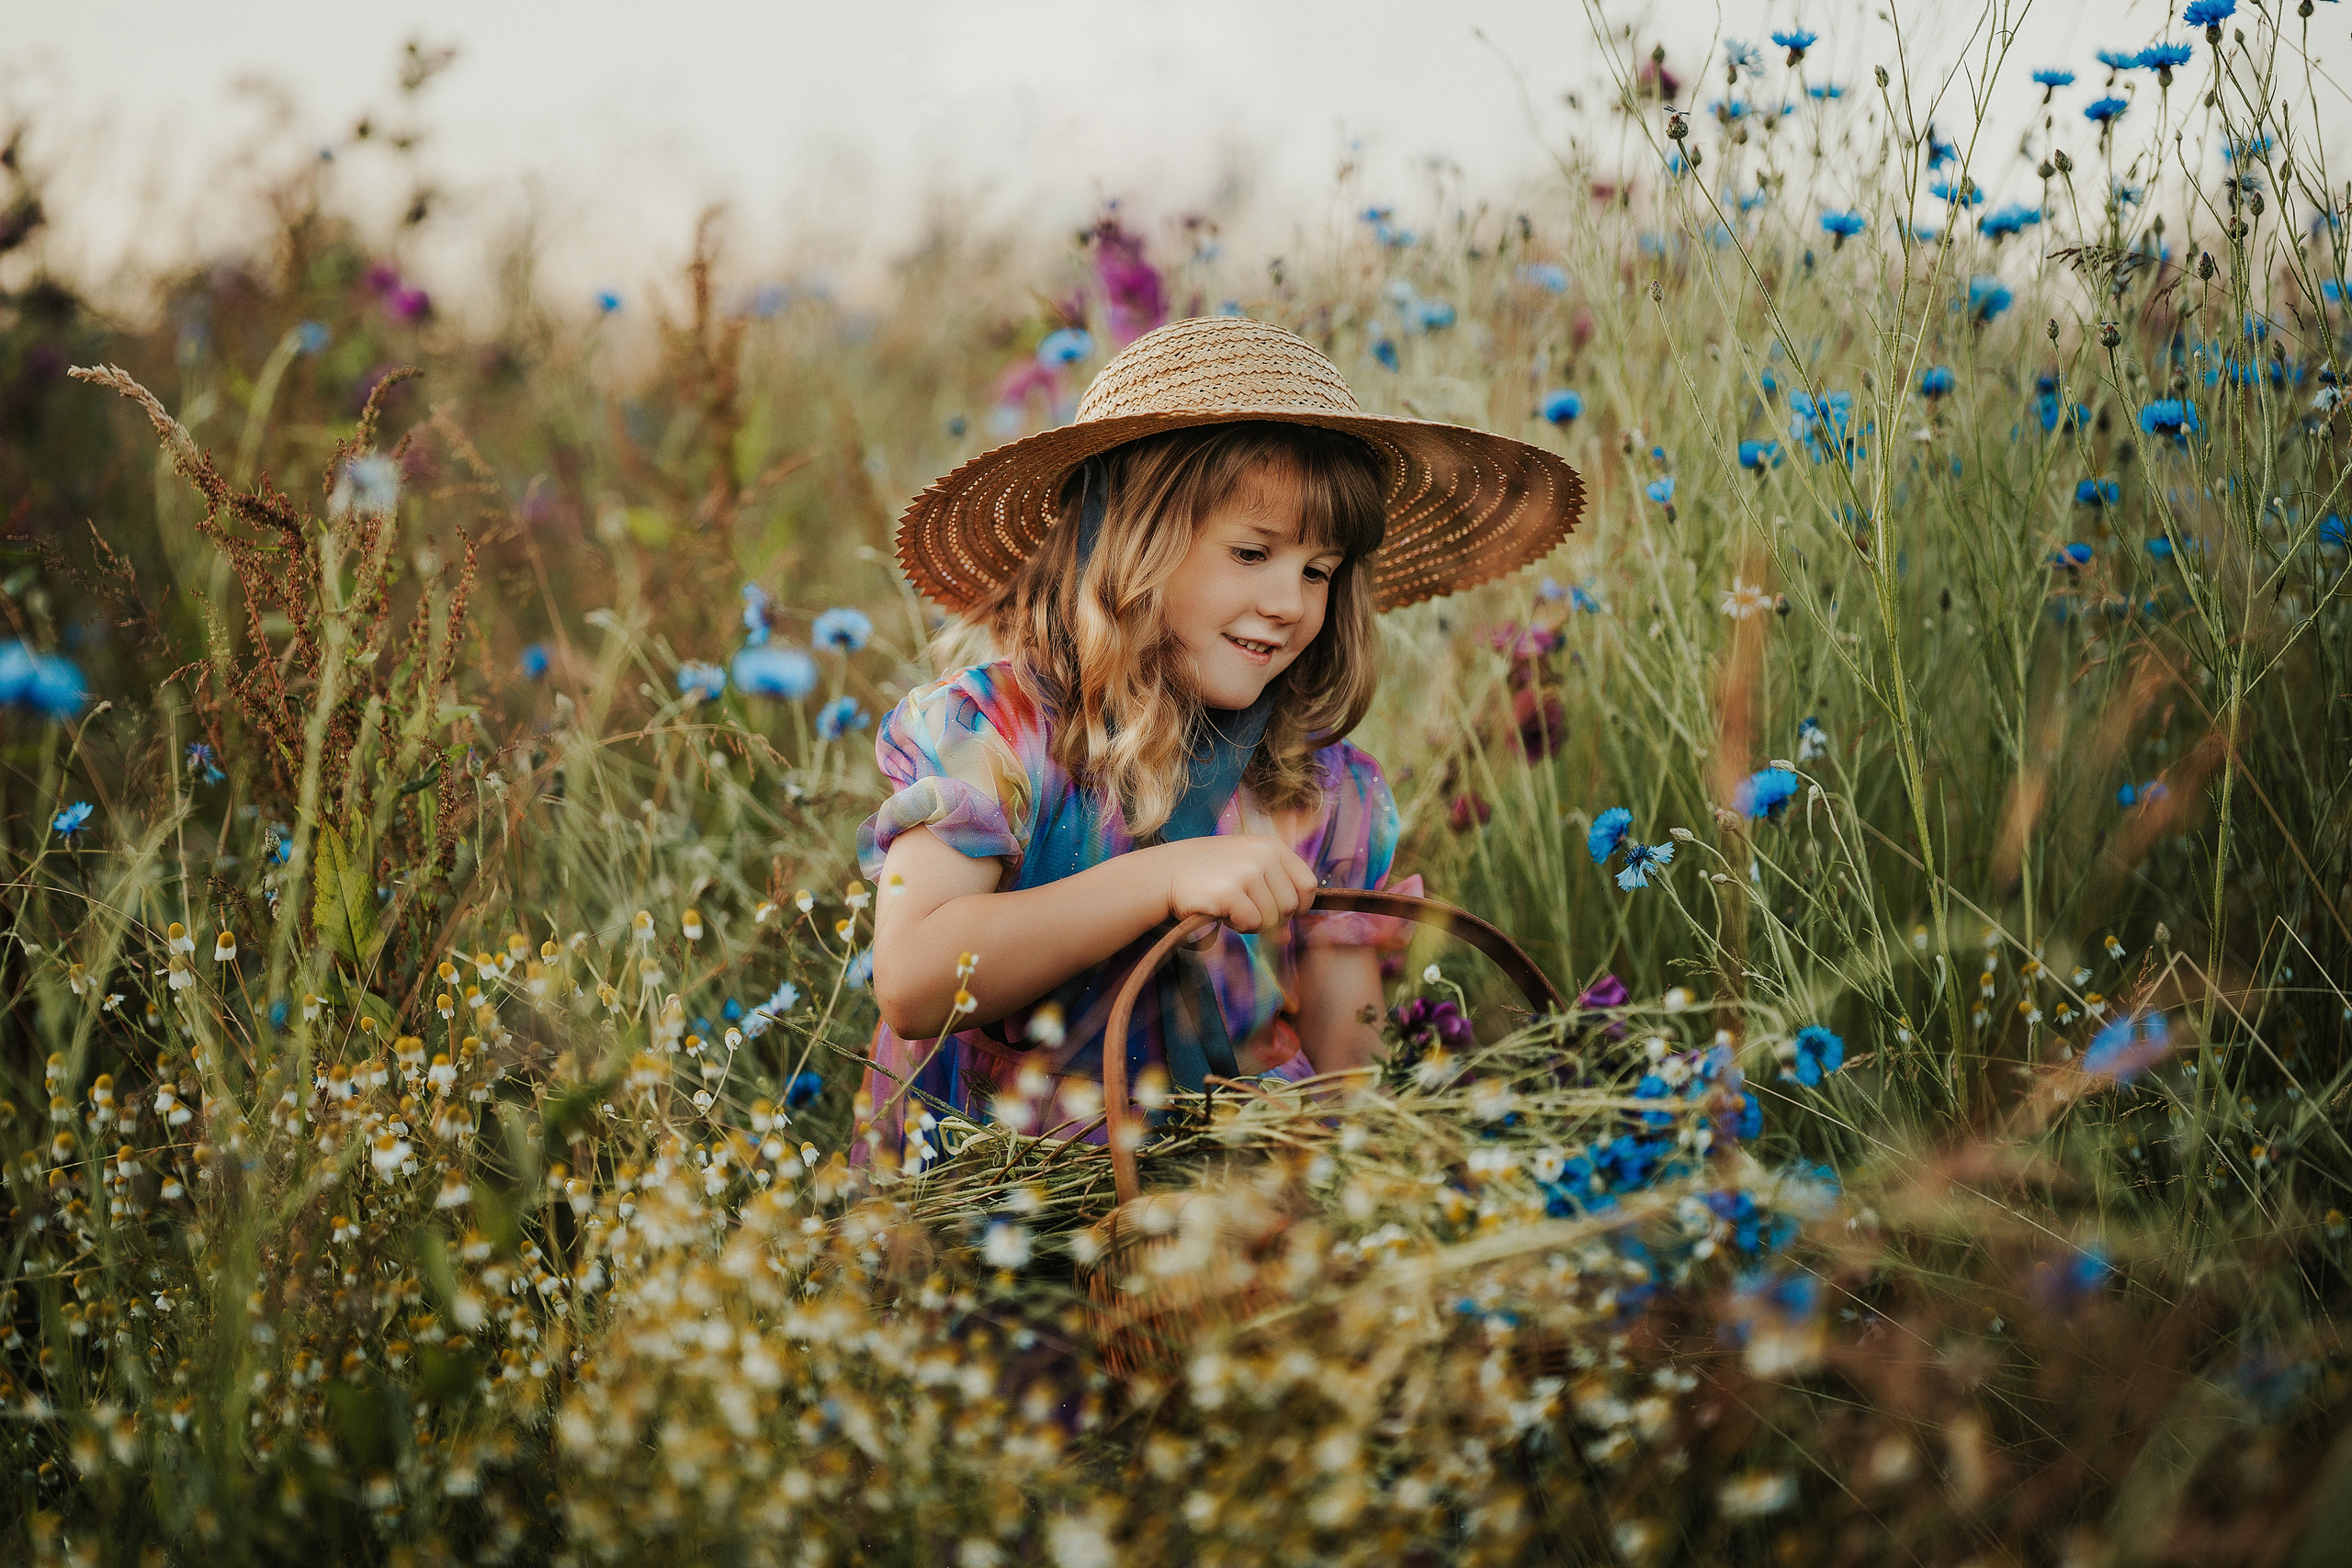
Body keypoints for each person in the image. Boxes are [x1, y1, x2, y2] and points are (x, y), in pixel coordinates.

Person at [854, 314, 1582, 1170]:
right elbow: (914, 982)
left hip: (1226, 1205)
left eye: (1318, 570)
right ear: (1127, 543)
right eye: (1250, 552)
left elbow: (1347, 1082)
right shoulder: (995, 736)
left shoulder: (1327, 795)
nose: (1289, 602)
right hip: (985, 1196)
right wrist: (1161, 877)